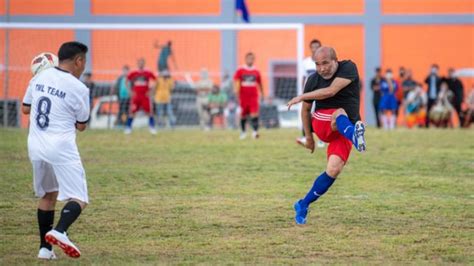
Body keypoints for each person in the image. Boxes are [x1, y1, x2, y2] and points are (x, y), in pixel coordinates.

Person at [21, 41, 90, 259]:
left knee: (48, 195)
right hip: (60, 146)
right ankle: (60, 231)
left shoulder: (39, 77)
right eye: (84, 62)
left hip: (36, 145)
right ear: (78, 61)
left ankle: (44, 249)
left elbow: (26, 107)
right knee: (79, 197)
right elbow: (81, 125)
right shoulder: (79, 88)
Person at [287, 46, 366, 225]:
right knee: (339, 112)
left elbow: (331, 91)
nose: (322, 68)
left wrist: (302, 96)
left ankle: (302, 204)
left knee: (333, 170)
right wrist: (309, 138)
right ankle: (357, 137)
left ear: (335, 60)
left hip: (344, 129)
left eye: (325, 63)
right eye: (317, 64)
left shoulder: (348, 68)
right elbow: (306, 110)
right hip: (323, 123)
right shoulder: (313, 79)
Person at [297, 39, 325, 148]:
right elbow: (303, 78)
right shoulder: (306, 62)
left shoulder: (323, 61)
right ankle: (306, 137)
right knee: (306, 113)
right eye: (313, 47)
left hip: (320, 92)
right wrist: (303, 92)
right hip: (309, 92)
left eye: (317, 46)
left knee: (319, 115)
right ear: (311, 48)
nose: (315, 49)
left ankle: (322, 139)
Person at [234, 52, 264, 139]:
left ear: (254, 60)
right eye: (249, 58)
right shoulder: (240, 70)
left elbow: (260, 83)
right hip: (243, 96)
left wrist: (262, 93)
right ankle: (243, 132)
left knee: (254, 114)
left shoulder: (256, 71)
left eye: (252, 58)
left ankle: (255, 132)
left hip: (253, 96)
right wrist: (236, 92)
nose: (250, 60)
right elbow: (236, 81)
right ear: (246, 59)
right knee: (243, 114)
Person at [125, 58, 157, 134]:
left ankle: (152, 128)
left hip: (145, 96)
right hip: (136, 96)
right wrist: (130, 91)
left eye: (142, 63)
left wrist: (151, 91)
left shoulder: (148, 73)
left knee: (150, 112)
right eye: (139, 63)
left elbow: (156, 81)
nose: (141, 64)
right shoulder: (134, 73)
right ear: (137, 64)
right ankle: (128, 128)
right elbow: (126, 81)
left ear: (144, 64)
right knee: (132, 112)